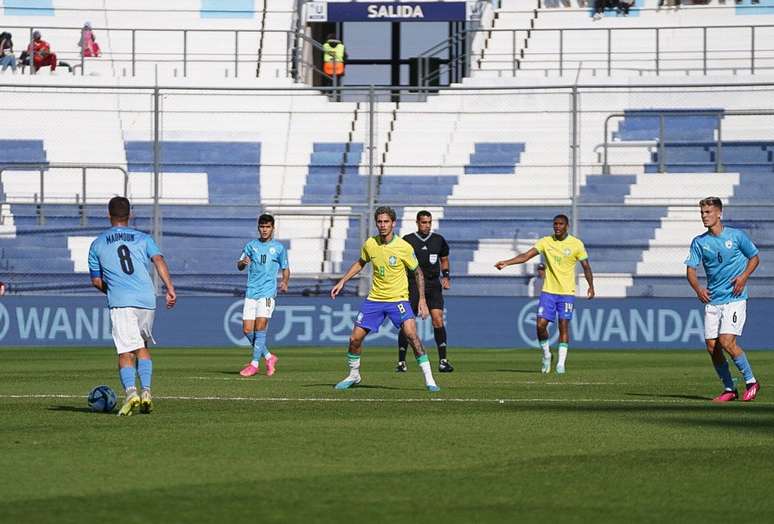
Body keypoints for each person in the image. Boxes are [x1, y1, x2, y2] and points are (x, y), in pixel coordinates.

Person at [331, 206, 440, 392]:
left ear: (393, 223)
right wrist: (342, 281)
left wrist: (422, 299)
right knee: (354, 339)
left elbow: (417, 272)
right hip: (375, 299)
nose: (382, 225)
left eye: (386, 221)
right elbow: (360, 263)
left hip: (398, 299)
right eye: (379, 222)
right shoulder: (370, 244)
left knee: (412, 336)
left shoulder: (403, 247)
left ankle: (430, 380)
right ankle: (354, 375)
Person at [88, 196, 176, 416]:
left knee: (126, 350)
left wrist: (113, 289)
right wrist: (170, 288)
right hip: (147, 299)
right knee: (142, 346)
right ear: (130, 215)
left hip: (122, 301)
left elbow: (96, 281)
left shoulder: (98, 243)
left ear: (108, 215)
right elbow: (159, 261)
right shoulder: (144, 238)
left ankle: (130, 393)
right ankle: (146, 391)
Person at [495, 214, 594, 374]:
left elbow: (586, 266)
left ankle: (561, 364)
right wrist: (507, 262)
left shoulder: (576, 244)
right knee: (540, 325)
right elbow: (526, 256)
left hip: (567, 293)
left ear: (566, 226)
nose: (557, 227)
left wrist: (591, 286)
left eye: (561, 224)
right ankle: (547, 355)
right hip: (548, 291)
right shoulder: (546, 242)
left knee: (563, 326)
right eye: (555, 224)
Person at [685, 196, 761, 402]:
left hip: (734, 298)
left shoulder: (736, 237)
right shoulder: (699, 242)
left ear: (719, 213)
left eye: (708, 212)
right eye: (702, 213)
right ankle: (729, 389)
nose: (704, 216)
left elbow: (754, 257)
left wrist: (743, 277)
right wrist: (697, 289)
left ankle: (752, 381)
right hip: (713, 300)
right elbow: (690, 269)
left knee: (727, 341)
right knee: (712, 346)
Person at [396, 210, 454, 373]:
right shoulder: (408, 240)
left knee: (438, 320)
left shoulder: (438, 240)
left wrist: (446, 276)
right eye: (423, 222)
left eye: (429, 222)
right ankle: (401, 362)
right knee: (407, 322)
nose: (426, 225)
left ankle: (443, 360)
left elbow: (444, 259)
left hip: (433, 285)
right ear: (417, 222)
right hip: (412, 284)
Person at [236, 214, 289, 378]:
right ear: (258, 228)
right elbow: (239, 265)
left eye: (268, 227)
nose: (264, 230)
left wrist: (285, 281)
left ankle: (254, 364)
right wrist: (242, 264)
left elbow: (285, 268)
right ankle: (269, 357)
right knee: (246, 330)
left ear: (273, 228)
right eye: (262, 226)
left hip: (267, 292)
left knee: (260, 327)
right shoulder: (251, 246)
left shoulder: (279, 248)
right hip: (251, 291)